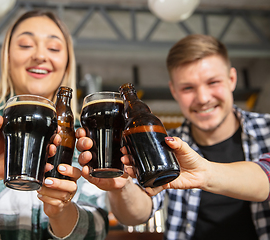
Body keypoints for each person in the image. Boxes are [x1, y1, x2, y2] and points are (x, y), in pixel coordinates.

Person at [0, 10, 108, 240]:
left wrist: (61, 212)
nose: (40, 55)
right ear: (6, 57)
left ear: (67, 65)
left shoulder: (83, 134)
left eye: (54, 48)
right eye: (26, 45)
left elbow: (97, 227)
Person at [76, 34, 270, 240]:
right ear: (174, 91)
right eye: (188, 88)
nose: (203, 98)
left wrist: (204, 173)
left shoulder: (267, 129)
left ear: (232, 79)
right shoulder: (165, 141)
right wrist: (120, 187)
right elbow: (137, 214)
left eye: (213, 82)